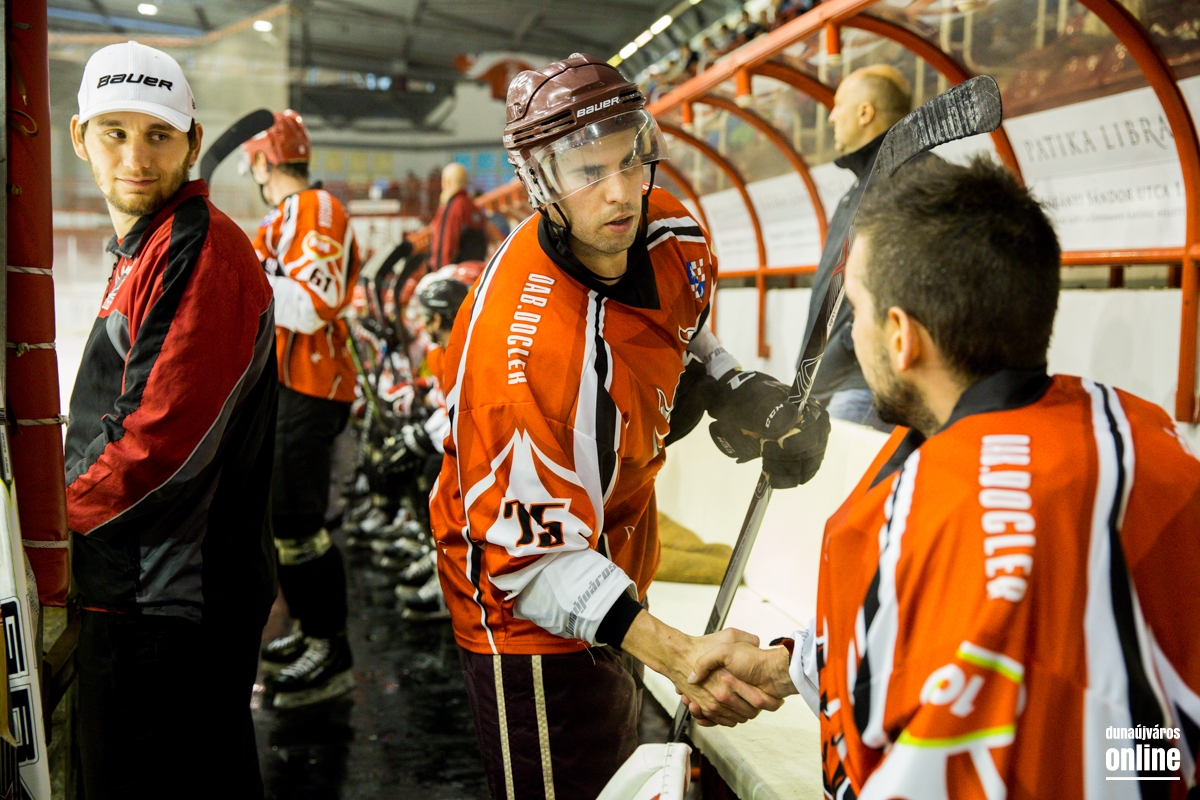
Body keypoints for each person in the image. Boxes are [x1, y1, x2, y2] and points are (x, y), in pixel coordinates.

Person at [683, 157, 1200, 795]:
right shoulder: (1148, 436)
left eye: (858, 311)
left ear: (901, 337)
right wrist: (781, 666)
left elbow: (917, 754)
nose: (856, 333)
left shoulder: (920, 513)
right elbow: (1131, 719)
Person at [430, 53, 830, 799]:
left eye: (628, 159)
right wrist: (679, 654)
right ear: (540, 181)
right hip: (531, 622)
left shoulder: (669, 229)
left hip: (618, 560)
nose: (620, 192)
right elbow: (533, 563)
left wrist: (735, 388)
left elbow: (686, 330)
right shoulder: (524, 358)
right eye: (588, 172)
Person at [65, 42, 276, 798]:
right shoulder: (150, 245)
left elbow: (156, 450)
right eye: (115, 132)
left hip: (165, 608)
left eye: (158, 134)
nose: (136, 156)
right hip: (145, 593)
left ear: (191, 141)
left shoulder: (198, 251)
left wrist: (46, 523)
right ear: (80, 137)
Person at [244, 110, 363, 708]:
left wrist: (240, 279)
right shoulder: (288, 215)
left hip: (312, 387)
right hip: (291, 387)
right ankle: (313, 630)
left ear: (264, 162)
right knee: (286, 520)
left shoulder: (314, 209)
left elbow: (316, 305)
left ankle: (329, 647)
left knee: (298, 522)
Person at [799, 64, 912, 432]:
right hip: (842, 381)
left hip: (862, 385)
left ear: (865, 112)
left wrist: (825, 368)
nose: (831, 117)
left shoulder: (900, 183)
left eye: (838, 106)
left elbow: (889, 295)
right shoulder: (867, 182)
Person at [429, 162, 491, 269]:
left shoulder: (452, 208)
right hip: (474, 269)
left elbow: (445, 243)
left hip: (454, 270)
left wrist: (440, 269)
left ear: (447, 182)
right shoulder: (473, 207)